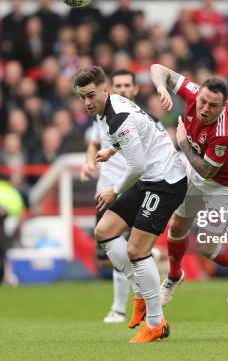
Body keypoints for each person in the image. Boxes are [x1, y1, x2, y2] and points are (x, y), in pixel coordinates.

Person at [73, 66, 187, 343]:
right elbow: (140, 133)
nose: (87, 102)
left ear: (105, 89)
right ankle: (141, 291)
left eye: (91, 95)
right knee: (104, 232)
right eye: (82, 97)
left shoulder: (118, 115)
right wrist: (111, 149)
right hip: (150, 178)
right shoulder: (107, 109)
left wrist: (114, 191)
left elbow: (137, 165)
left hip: (165, 180)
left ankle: (156, 322)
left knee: (136, 249)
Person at [150, 63, 228, 307]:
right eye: (203, 102)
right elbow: (158, 68)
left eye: (213, 105)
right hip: (198, 170)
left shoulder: (226, 131)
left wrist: (182, 143)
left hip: (225, 184)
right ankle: (174, 276)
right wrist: (161, 88)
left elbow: (208, 172)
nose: (205, 108)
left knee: (207, 246)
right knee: (177, 226)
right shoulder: (193, 91)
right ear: (198, 94)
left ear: (223, 106)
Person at [80, 69, 139, 324]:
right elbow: (94, 143)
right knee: (107, 257)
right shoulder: (101, 117)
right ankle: (148, 261)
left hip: (131, 191)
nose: (124, 89)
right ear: (110, 88)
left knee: (120, 246)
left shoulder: (142, 119)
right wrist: (87, 163)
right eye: (119, 85)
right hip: (105, 191)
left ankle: (119, 308)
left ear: (135, 89)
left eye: (128, 85)